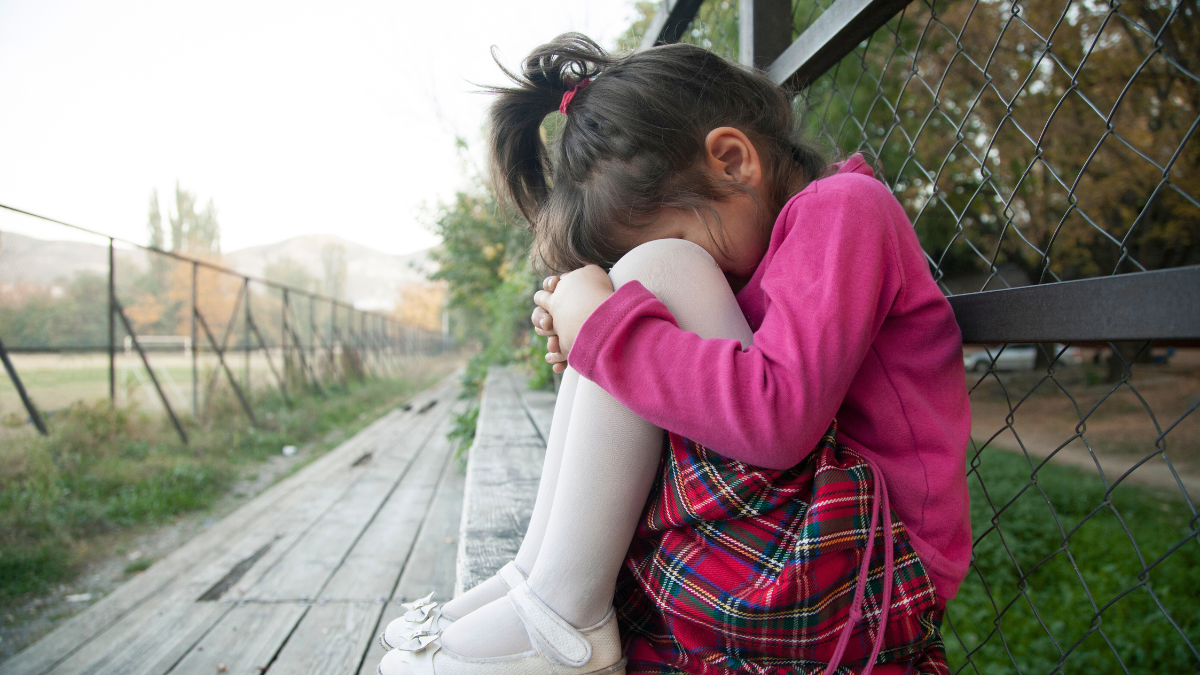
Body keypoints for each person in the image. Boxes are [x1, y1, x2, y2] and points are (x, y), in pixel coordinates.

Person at [379, 33, 971, 675]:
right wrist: (603, 339)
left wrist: (611, 333)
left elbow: (777, 420)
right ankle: (536, 581)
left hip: (871, 568)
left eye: (698, 238)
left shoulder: (845, 210)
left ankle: (560, 610)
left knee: (663, 270)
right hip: (809, 540)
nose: (709, 271)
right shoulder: (781, 237)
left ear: (732, 160)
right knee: (638, 290)